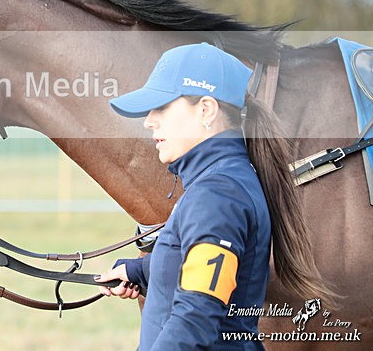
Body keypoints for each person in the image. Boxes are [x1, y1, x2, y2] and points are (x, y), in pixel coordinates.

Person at [95, 42, 334, 350]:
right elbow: (205, 269)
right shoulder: (222, 182)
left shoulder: (218, 196)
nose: (149, 120)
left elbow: (195, 318)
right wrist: (139, 270)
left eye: (162, 107)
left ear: (206, 109)